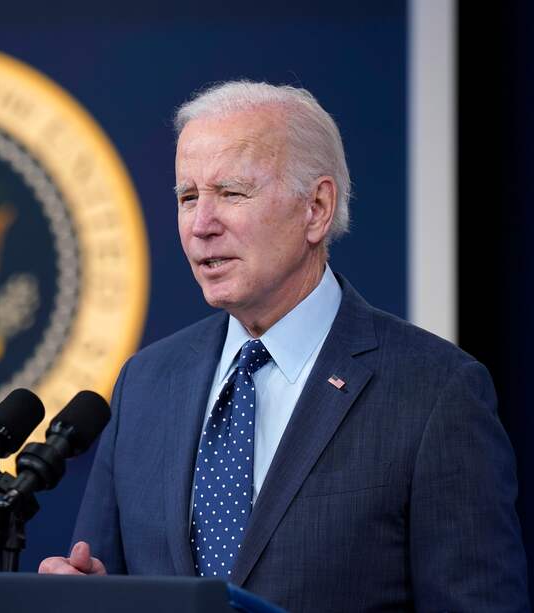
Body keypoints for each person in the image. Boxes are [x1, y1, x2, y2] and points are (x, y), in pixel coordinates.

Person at [39, 81, 529, 612]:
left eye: (231, 193)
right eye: (187, 197)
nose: (201, 225)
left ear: (316, 209)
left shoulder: (434, 391)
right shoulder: (147, 382)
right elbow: (102, 578)